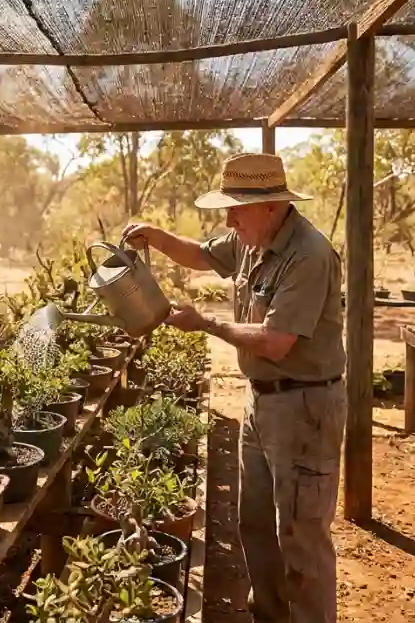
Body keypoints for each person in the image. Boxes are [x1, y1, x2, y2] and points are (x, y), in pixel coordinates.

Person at [122, 152, 347, 623]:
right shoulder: (251, 237)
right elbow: (203, 255)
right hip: (261, 402)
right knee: (256, 524)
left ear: (271, 205)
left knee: (302, 539)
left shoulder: (308, 254)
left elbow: (275, 340)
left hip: (305, 407)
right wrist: (157, 237)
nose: (228, 219)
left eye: (235, 209)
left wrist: (205, 323)